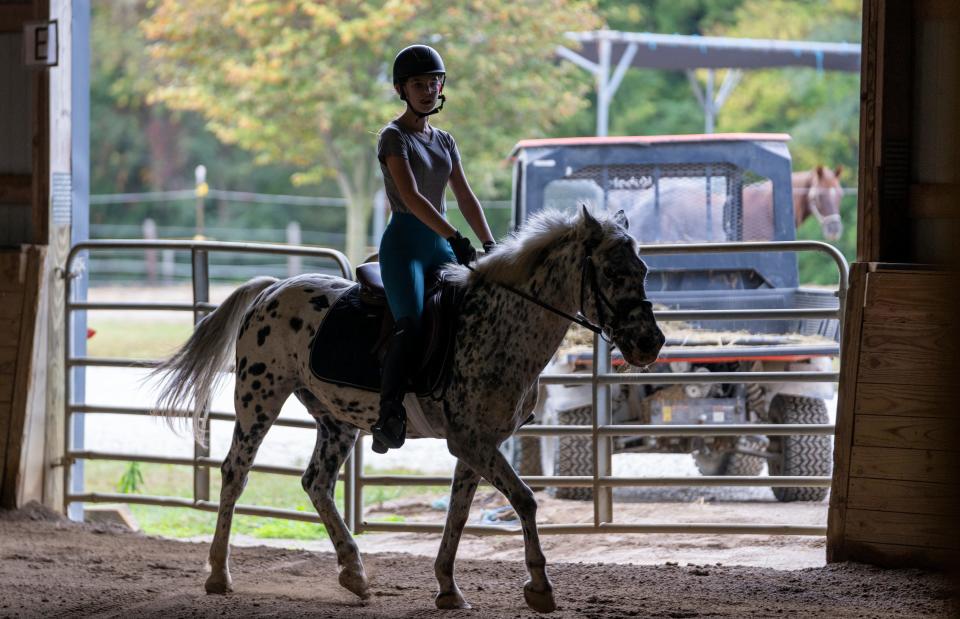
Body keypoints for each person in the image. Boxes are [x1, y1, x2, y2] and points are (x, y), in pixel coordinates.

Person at [372, 44, 496, 453]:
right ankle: (389, 414)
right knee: (410, 322)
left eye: (433, 83)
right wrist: (456, 237)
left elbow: (465, 196)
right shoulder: (394, 136)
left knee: (477, 307)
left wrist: (489, 243)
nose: (428, 90)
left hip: (439, 244)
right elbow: (409, 197)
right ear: (401, 90)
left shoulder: (445, 139)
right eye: (418, 84)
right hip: (406, 245)